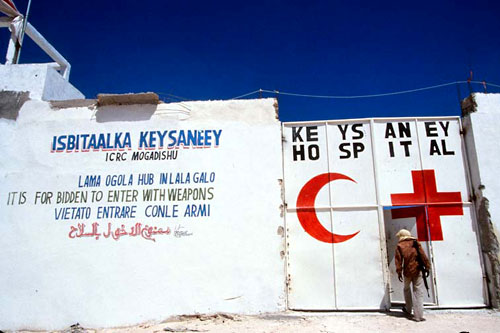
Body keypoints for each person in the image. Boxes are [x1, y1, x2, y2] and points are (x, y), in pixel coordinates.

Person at [394, 229, 431, 322]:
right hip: (418, 270)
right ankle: (418, 316)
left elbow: (398, 261)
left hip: (407, 272)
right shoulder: (415, 243)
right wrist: (427, 267)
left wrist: (399, 272)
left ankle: (408, 309)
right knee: (418, 291)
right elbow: (423, 255)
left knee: (406, 289)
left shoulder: (400, 245)